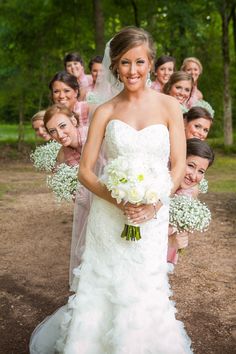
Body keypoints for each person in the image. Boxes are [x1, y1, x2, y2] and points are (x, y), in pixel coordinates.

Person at [30, 27, 192, 353]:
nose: (133, 71)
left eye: (140, 62)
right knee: (105, 284)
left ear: (150, 63)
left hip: (152, 214)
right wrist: (116, 198)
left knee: (144, 285)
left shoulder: (169, 107)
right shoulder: (104, 110)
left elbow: (177, 167)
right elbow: (86, 171)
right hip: (109, 214)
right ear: (115, 65)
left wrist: (154, 206)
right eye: (125, 62)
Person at [168, 138, 214, 264]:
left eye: (201, 171)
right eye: (190, 166)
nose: (193, 176)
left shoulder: (190, 193)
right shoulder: (156, 186)